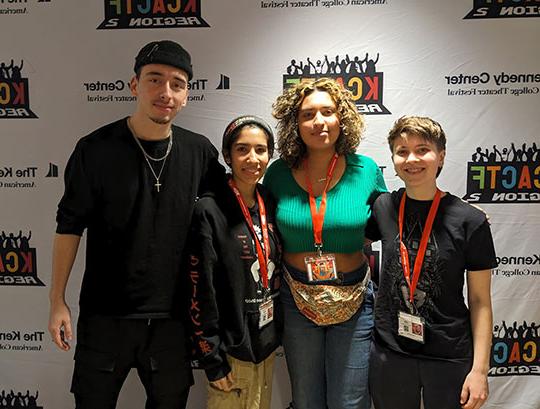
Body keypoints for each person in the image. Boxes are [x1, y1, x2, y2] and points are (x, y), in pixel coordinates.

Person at [47, 40, 224, 409]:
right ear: (134, 85)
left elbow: (229, 214)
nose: (166, 92)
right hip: (104, 316)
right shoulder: (94, 149)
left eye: (177, 83)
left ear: (187, 95)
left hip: (172, 321)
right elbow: (69, 226)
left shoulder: (200, 152)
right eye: (155, 80)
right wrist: (57, 301)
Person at [263, 78, 386, 409]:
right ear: (295, 123)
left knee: (350, 401)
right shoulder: (277, 174)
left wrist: (454, 212)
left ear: (342, 118)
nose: (319, 122)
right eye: (308, 114)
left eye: (328, 112)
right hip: (296, 296)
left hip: (355, 299)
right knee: (306, 400)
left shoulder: (367, 170)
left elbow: (396, 219)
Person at [366, 116, 496, 409]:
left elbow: (480, 301)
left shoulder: (470, 221)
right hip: (391, 352)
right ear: (394, 159)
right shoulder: (384, 207)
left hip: (448, 355)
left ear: (441, 156)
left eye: (422, 149)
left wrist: (480, 370)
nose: (411, 159)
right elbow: (344, 235)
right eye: (402, 151)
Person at [187, 115, 282, 409]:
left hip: (265, 344)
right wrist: (212, 359)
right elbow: (199, 289)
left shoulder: (269, 200)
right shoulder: (209, 209)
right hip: (230, 352)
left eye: (261, 150)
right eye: (242, 149)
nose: (252, 158)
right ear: (228, 155)